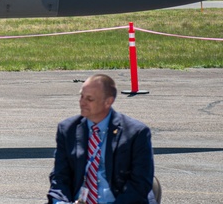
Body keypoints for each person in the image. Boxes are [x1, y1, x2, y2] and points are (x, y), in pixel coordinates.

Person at [47, 73, 156, 204]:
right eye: (81, 96)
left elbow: (140, 183)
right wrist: (60, 202)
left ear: (108, 102)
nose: (82, 102)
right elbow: (60, 176)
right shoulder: (67, 129)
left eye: (89, 99)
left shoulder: (136, 133)